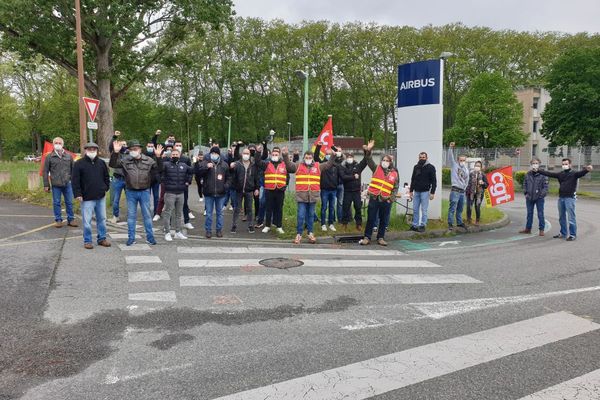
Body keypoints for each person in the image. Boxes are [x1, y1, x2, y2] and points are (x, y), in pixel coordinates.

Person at [110, 139, 160, 246]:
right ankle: (131, 238)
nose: (134, 151)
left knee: (147, 215)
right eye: (131, 149)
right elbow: (113, 164)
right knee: (131, 216)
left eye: (136, 149)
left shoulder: (149, 160)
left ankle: (150, 238)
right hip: (131, 191)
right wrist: (115, 152)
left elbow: (159, 170)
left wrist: (159, 157)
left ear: (140, 149)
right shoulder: (125, 160)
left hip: (144, 191)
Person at [538, 159, 593, 241]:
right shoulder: (561, 174)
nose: (564, 165)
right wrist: (539, 170)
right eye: (563, 164)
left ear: (570, 164)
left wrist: (587, 170)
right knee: (561, 217)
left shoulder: (574, 174)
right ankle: (563, 233)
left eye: (566, 164)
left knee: (571, 217)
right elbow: (550, 174)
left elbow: (581, 173)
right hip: (561, 198)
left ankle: (572, 234)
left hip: (569, 198)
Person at [294, 149, 338, 244]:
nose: (308, 159)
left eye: (310, 158)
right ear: (304, 158)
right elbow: (289, 166)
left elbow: (328, 164)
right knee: (301, 216)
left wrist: (333, 156)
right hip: (302, 196)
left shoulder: (318, 166)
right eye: (306, 158)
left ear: (312, 158)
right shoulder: (298, 165)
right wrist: (285, 155)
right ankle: (299, 234)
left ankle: (310, 233)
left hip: (312, 196)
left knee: (310, 216)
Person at [71, 142, 110, 249]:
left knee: (102, 219)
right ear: (85, 150)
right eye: (89, 149)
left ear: (97, 150)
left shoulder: (101, 163)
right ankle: (87, 240)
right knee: (87, 221)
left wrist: (106, 187)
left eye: (94, 149)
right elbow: (75, 180)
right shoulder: (79, 163)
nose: (92, 151)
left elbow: (106, 176)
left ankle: (102, 238)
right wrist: (78, 194)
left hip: (100, 196)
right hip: (86, 197)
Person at [359, 153, 398, 246]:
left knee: (384, 220)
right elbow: (369, 160)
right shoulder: (376, 168)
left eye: (387, 160)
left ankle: (381, 238)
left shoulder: (394, 173)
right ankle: (367, 237)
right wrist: (368, 151)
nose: (385, 162)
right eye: (383, 160)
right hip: (374, 198)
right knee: (371, 219)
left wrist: (391, 199)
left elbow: (395, 187)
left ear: (390, 162)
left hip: (386, 200)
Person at [255, 146, 296, 234]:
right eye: (273, 154)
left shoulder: (284, 164)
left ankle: (279, 226)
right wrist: (258, 152)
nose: (274, 155)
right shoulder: (267, 164)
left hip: (280, 190)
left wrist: (286, 155)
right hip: (269, 190)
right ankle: (267, 225)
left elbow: (292, 169)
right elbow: (257, 162)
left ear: (279, 155)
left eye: (276, 154)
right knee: (268, 208)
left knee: (279, 209)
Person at [195, 146, 231, 238]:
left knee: (220, 213)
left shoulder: (224, 165)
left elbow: (229, 178)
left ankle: (219, 230)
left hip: (221, 193)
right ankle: (208, 230)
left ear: (219, 155)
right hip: (209, 193)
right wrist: (206, 167)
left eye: (216, 153)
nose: (214, 155)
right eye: (212, 153)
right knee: (209, 214)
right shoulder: (205, 163)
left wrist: (226, 186)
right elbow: (198, 173)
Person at [42, 136, 77, 228]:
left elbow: (73, 170)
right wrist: (46, 185)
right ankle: (58, 220)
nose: (58, 145)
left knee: (69, 202)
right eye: (56, 143)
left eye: (59, 143)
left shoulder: (69, 156)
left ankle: (71, 219)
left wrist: (74, 182)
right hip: (55, 184)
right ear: (53, 145)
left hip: (67, 183)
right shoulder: (49, 156)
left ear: (63, 145)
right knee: (56, 203)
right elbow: (45, 171)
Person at [339, 140, 375, 231]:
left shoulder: (358, 166)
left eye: (351, 156)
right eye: (348, 157)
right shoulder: (342, 166)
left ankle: (358, 224)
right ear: (346, 158)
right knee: (345, 207)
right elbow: (343, 177)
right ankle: (344, 223)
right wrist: (353, 177)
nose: (349, 158)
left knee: (358, 207)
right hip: (347, 191)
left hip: (356, 191)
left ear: (353, 158)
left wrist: (366, 150)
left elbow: (366, 160)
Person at [160, 148, 192, 241]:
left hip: (181, 193)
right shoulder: (166, 164)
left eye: (176, 154)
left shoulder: (184, 165)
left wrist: (188, 181)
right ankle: (167, 232)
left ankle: (178, 232)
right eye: (173, 154)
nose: (174, 156)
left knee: (178, 214)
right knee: (168, 213)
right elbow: (158, 169)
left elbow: (192, 171)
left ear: (180, 155)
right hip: (170, 193)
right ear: (170, 156)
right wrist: (162, 181)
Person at [230, 147, 260, 234]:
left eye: (247, 153)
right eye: (244, 153)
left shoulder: (253, 165)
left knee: (249, 208)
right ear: (242, 154)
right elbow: (232, 174)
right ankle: (234, 225)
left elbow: (256, 178)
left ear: (250, 155)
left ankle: (250, 225)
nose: (245, 155)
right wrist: (231, 167)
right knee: (237, 208)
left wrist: (257, 188)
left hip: (249, 190)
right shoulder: (237, 164)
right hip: (239, 190)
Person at [315, 146, 342, 232]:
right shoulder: (322, 163)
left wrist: (335, 149)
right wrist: (318, 147)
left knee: (331, 208)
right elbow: (316, 157)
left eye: (330, 154)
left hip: (333, 189)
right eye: (327, 154)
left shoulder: (336, 163)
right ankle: (323, 224)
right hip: (324, 189)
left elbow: (342, 156)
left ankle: (331, 224)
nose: (328, 155)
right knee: (324, 207)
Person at [519, 157, 549, 236]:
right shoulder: (528, 174)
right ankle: (528, 229)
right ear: (531, 165)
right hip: (529, 197)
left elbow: (545, 187)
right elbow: (524, 184)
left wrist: (541, 195)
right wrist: (525, 193)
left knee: (540, 214)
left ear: (539, 164)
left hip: (539, 198)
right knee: (529, 213)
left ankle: (541, 229)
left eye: (536, 163)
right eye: (533, 163)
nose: (535, 165)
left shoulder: (543, 174)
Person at [409, 151, 437, 232]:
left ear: (426, 158)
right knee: (415, 209)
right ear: (418, 158)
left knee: (424, 210)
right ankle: (415, 225)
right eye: (420, 157)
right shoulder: (416, 167)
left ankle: (423, 225)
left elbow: (434, 181)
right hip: (416, 191)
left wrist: (432, 192)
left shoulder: (431, 167)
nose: (422, 159)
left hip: (425, 192)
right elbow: (413, 179)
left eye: (423, 157)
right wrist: (411, 191)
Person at [446, 142, 469, 230]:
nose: (462, 162)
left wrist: (464, 188)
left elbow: (467, 180)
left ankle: (459, 222)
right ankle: (450, 223)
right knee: (452, 208)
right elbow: (450, 157)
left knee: (460, 208)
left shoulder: (466, 169)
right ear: (458, 160)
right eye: (461, 160)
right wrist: (450, 148)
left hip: (462, 191)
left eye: (464, 160)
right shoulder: (454, 165)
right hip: (455, 190)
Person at [173, 140, 194, 229]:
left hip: (183, 185)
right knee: (170, 206)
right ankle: (169, 224)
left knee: (184, 203)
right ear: (174, 146)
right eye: (177, 145)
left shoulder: (186, 159)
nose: (178, 146)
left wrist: (188, 181)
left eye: (180, 145)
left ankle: (186, 221)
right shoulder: (169, 158)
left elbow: (190, 172)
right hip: (172, 186)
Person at [108, 130, 127, 223]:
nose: (123, 146)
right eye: (121, 144)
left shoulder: (129, 154)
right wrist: (114, 137)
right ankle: (115, 216)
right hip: (118, 179)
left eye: (124, 144)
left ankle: (131, 216)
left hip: (128, 180)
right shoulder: (116, 153)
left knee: (131, 199)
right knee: (116, 200)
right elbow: (111, 146)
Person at [465, 160, 488, 225]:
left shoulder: (483, 175)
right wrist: (467, 191)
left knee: (477, 207)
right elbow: (467, 183)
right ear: (474, 166)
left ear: (481, 167)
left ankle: (477, 220)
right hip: (471, 193)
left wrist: (483, 183)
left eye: (478, 166)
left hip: (479, 194)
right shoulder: (471, 174)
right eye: (476, 165)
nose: (477, 167)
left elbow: (486, 185)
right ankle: (468, 219)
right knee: (469, 206)